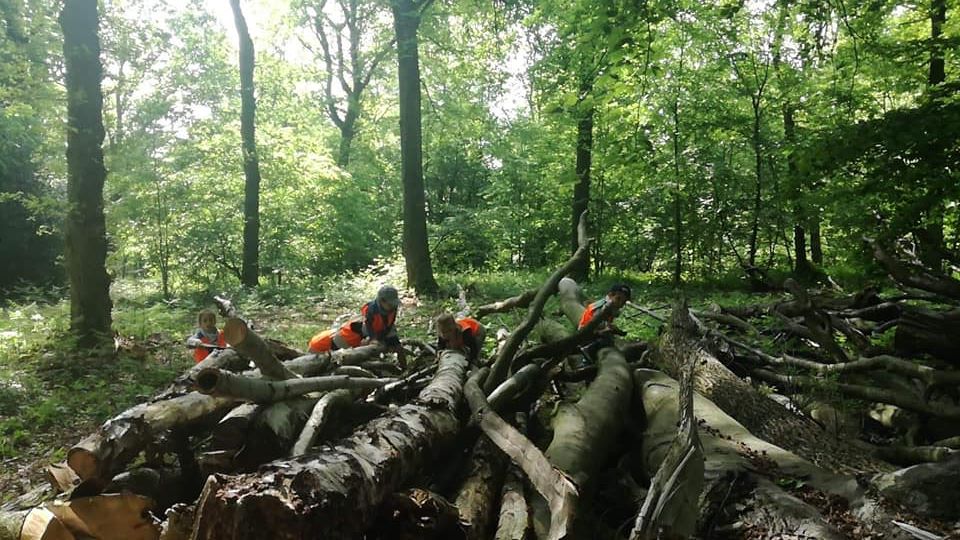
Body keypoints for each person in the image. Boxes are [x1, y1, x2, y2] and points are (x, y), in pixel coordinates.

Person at [307, 285, 406, 366]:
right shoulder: (368, 316)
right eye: (390, 304)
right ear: (382, 301)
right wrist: (375, 340)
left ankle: (405, 370)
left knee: (397, 346)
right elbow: (367, 338)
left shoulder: (392, 310)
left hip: (347, 343)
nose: (393, 306)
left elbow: (389, 328)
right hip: (323, 345)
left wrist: (392, 342)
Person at [578, 284, 631, 361]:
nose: (620, 304)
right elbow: (591, 327)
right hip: (585, 334)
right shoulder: (602, 308)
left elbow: (607, 322)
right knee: (606, 341)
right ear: (610, 295)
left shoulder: (611, 307)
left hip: (594, 331)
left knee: (609, 338)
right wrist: (607, 330)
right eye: (618, 299)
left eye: (623, 302)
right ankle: (587, 350)